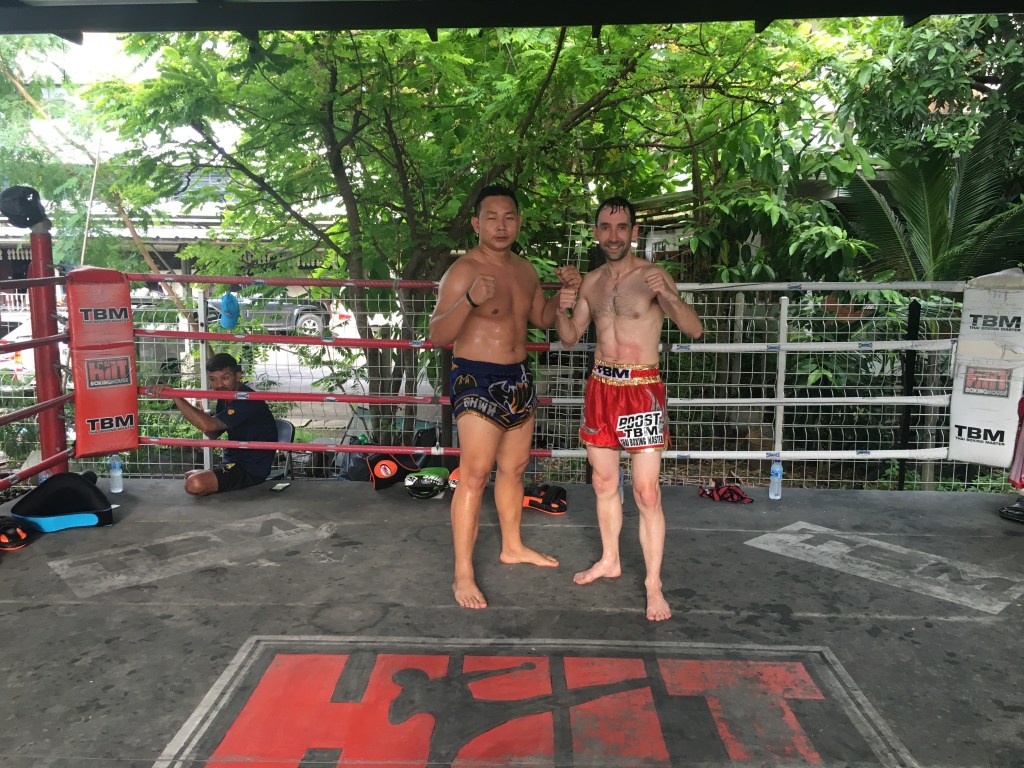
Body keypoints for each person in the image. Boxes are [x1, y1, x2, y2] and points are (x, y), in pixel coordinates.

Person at [428, 184, 581, 609]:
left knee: (514, 469)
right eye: (491, 217)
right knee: (474, 474)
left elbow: (541, 318)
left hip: (518, 376)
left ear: (518, 222)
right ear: (476, 223)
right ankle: (463, 573)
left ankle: (512, 546)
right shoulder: (463, 270)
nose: (501, 225)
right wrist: (470, 299)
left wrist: (564, 297)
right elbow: (437, 334)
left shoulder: (526, 270)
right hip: (475, 376)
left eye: (509, 217)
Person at [555, 197, 703, 621]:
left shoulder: (652, 276)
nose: (613, 235)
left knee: (646, 492)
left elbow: (693, 329)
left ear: (634, 232)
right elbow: (570, 336)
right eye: (605, 227)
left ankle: (654, 585)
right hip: (601, 387)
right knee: (603, 482)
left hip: (641, 390)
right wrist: (563, 306)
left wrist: (667, 295)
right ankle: (610, 559)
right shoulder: (592, 282)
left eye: (622, 227)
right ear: (596, 232)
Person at [154, 352, 278, 496]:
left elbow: (209, 426)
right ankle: (213, 473)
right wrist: (202, 417)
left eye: (225, 378)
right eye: (213, 379)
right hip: (232, 461)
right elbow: (212, 433)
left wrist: (175, 396)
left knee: (195, 483)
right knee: (191, 476)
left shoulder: (246, 399)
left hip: (251, 468)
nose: (219, 385)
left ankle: (211, 474)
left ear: (238, 376)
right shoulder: (225, 397)